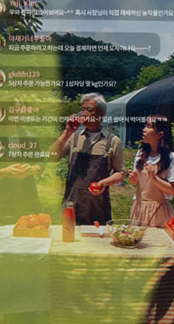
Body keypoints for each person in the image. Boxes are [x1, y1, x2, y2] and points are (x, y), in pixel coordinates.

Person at [48, 93, 125, 225]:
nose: (84, 113)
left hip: (97, 206)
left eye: (89, 110)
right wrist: (67, 132)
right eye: (83, 109)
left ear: (101, 114)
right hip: (71, 203)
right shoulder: (74, 137)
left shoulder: (112, 141)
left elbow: (121, 172)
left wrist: (104, 182)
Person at [126, 116, 174, 228]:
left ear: (160, 134)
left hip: (158, 211)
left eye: (149, 126)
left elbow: (172, 189)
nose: (144, 129)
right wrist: (134, 180)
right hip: (139, 208)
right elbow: (140, 184)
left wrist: (154, 178)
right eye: (145, 125)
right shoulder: (140, 154)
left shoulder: (171, 158)